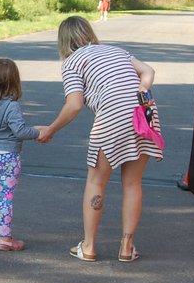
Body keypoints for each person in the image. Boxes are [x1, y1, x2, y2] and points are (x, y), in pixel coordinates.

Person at [38, 16, 160, 264]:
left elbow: (74, 105)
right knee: (132, 182)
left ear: (63, 41)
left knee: (96, 181)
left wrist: (51, 129)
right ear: (89, 32)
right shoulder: (116, 50)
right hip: (144, 111)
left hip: (113, 115)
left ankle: (89, 246)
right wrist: (142, 89)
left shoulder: (72, 62)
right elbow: (148, 70)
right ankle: (127, 247)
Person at [0, 57, 44, 252]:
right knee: (5, 197)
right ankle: (6, 238)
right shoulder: (11, 106)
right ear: (14, 81)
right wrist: (39, 132)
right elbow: (20, 131)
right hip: (8, 157)